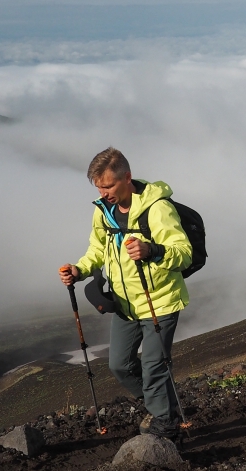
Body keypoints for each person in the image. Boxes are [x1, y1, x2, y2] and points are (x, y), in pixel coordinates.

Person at [58, 147, 192, 445]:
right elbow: (97, 249)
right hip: (125, 303)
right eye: (99, 187)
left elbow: (183, 254)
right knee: (119, 365)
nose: (104, 193)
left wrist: (152, 250)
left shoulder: (157, 208)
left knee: (154, 365)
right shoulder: (103, 210)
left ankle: (166, 425)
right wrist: (78, 270)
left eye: (108, 186)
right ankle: (164, 408)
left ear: (127, 177)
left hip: (161, 301)